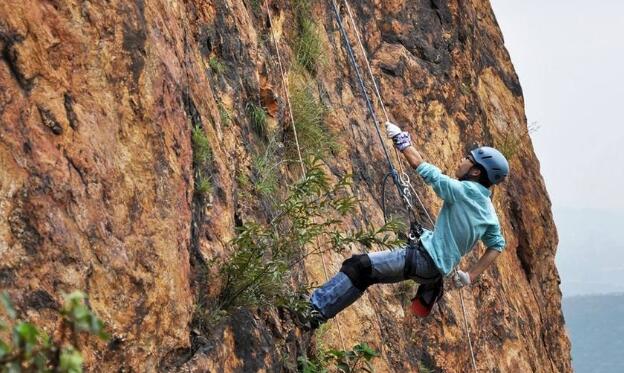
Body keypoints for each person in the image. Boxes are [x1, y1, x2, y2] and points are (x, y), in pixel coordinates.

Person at [301, 121, 509, 329]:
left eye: (468, 159)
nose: (462, 159)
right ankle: (315, 315)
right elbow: (497, 245)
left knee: (359, 266)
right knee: (365, 275)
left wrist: (402, 141)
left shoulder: (465, 191)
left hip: (423, 259)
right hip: (432, 270)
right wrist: (469, 276)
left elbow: (424, 169)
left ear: (475, 172)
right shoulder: (489, 212)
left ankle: (312, 310)